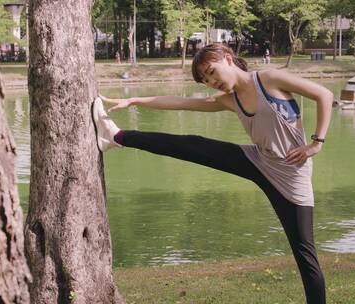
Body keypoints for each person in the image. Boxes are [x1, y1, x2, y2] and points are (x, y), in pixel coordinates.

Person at [93, 43, 333, 304]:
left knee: (305, 256)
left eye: (211, 72)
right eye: (205, 80)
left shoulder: (269, 78)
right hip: (259, 160)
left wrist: (316, 143)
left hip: (291, 178)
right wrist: (134, 100)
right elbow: (182, 103)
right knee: (191, 146)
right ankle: (116, 136)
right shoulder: (230, 100)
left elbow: (324, 95)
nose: (211, 81)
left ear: (228, 59)